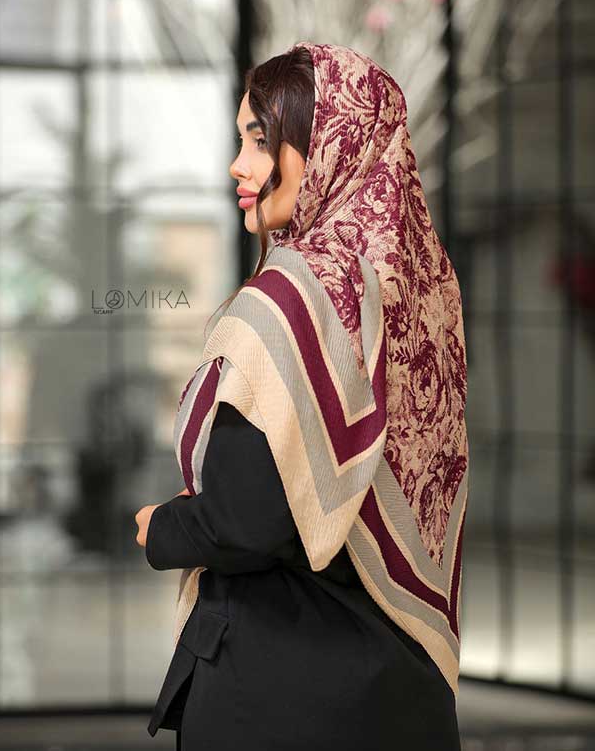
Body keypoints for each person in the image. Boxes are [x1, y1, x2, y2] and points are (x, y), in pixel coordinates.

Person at [135, 41, 469, 751]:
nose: (239, 165)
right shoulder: (424, 295)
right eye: (241, 140)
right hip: (404, 689)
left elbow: (249, 522)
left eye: (261, 140)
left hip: (282, 693)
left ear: (328, 149)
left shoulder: (293, 297)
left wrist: (161, 526)